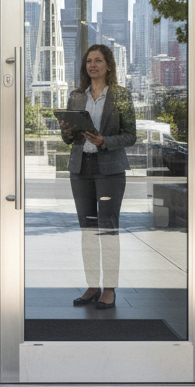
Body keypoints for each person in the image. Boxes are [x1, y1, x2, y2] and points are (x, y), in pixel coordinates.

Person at [58, 44, 137, 310]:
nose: (93, 65)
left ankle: (109, 289)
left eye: (98, 60)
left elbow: (131, 135)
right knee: (88, 230)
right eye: (89, 61)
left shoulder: (121, 96)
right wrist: (66, 130)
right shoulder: (76, 96)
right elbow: (68, 139)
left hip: (109, 169)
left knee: (107, 230)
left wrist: (105, 141)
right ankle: (92, 286)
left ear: (109, 65)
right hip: (81, 168)